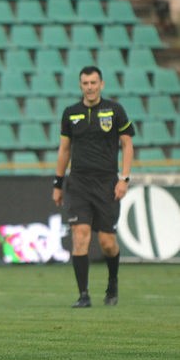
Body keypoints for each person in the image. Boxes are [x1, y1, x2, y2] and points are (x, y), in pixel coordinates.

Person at [52, 66, 135, 308]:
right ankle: (83, 295)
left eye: (93, 82)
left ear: (101, 84)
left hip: (107, 183)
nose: (89, 87)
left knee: (107, 242)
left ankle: (112, 282)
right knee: (80, 236)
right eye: (85, 83)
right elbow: (64, 150)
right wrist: (58, 183)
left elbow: (127, 145)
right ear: (80, 85)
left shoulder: (115, 110)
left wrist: (124, 179)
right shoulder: (70, 113)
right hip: (78, 183)